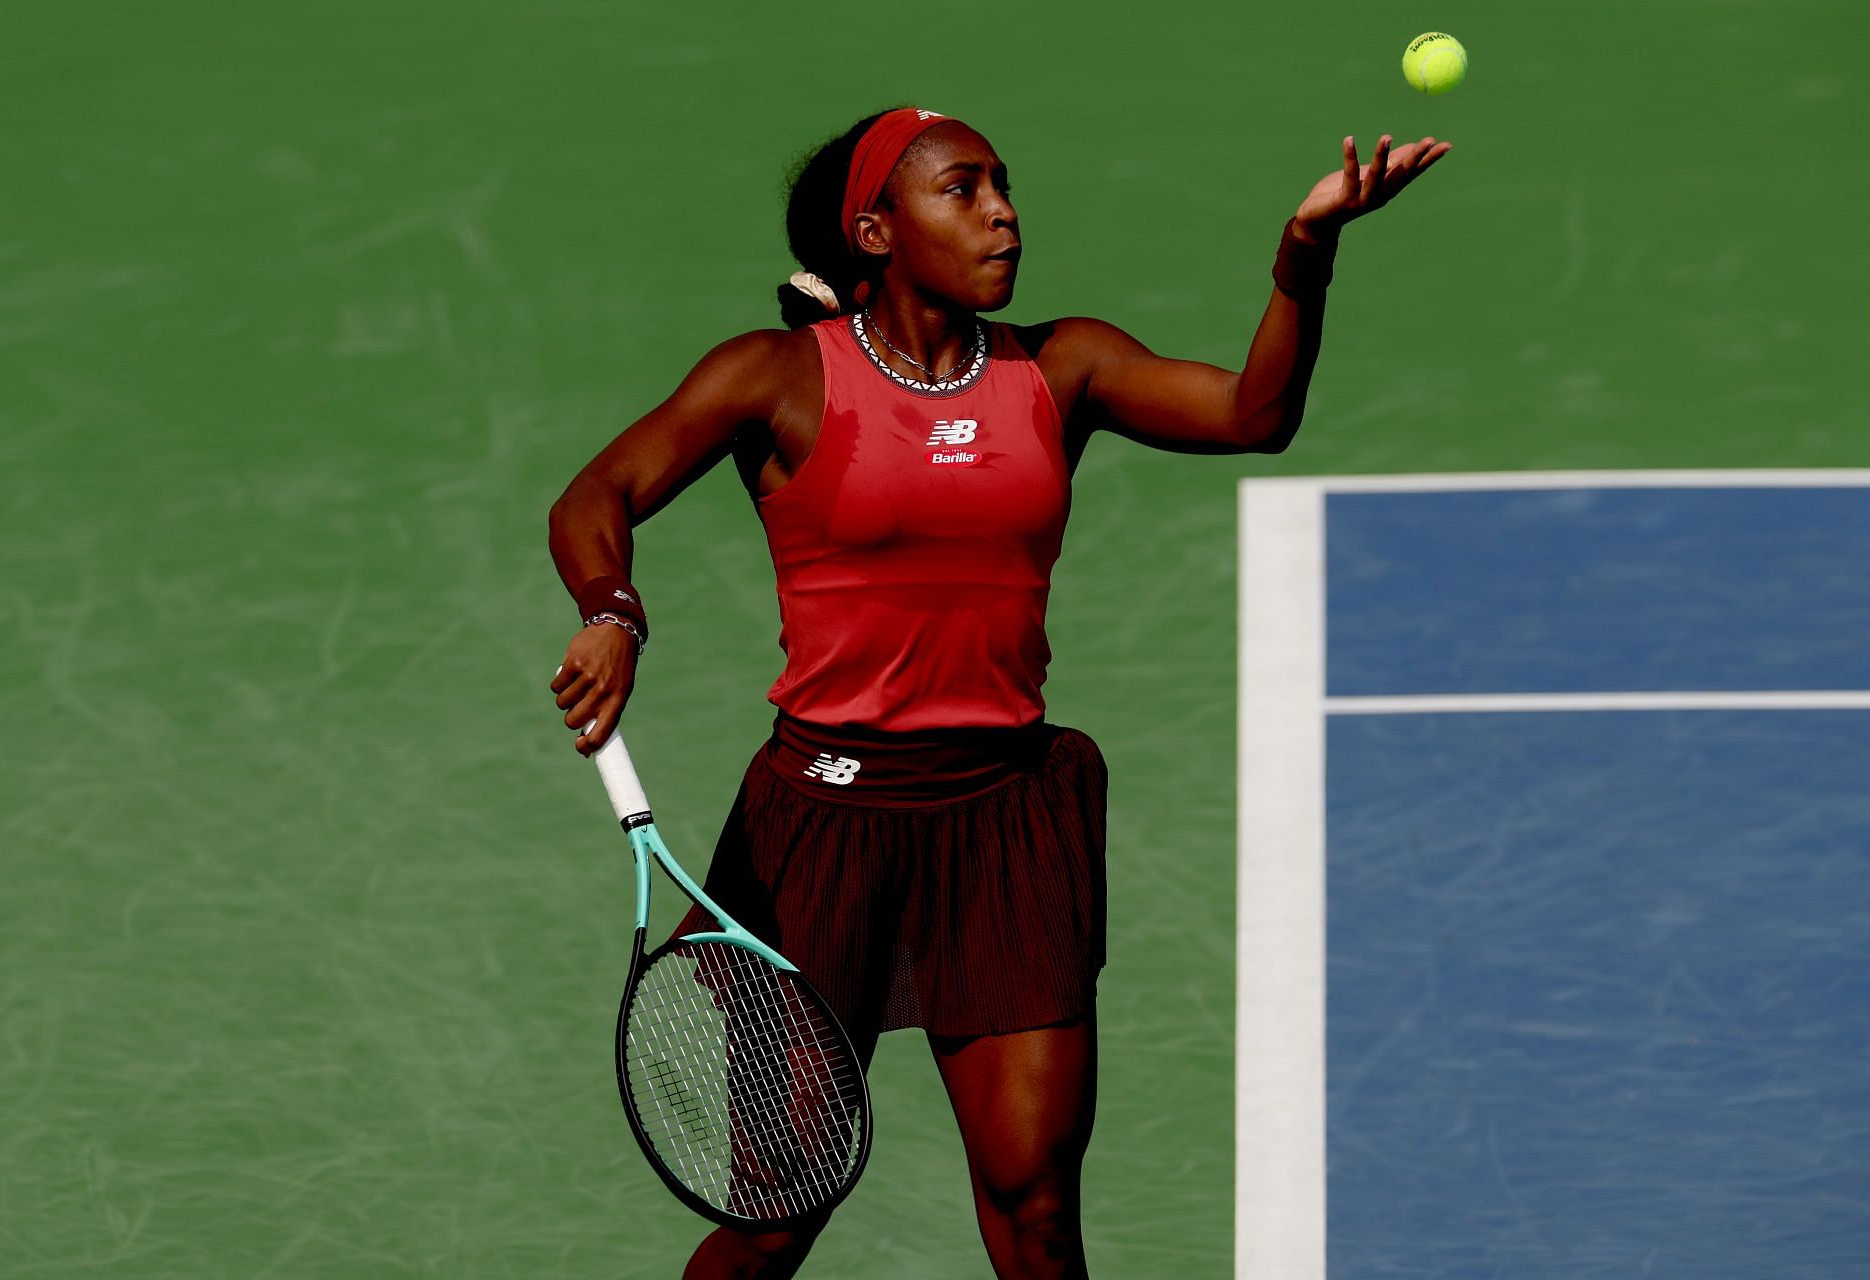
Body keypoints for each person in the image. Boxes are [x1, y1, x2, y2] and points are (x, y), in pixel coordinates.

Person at [549, 106, 1450, 1280]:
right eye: (961, 189)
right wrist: (612, 612)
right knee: (781, 1211)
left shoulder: (1057, 365)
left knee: (1034, 1209)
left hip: (1006, 822)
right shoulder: (774, 378)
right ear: (874, 230)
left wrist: (1307, 248)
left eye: (1001, 185)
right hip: (826, 832)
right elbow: (596, 492)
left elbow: (1252, 416)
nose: (1001, 208)